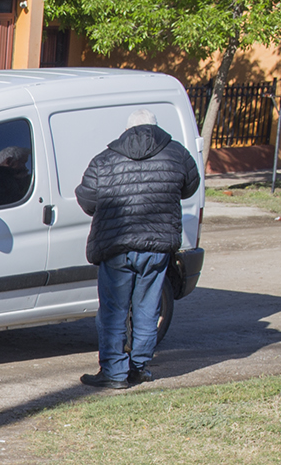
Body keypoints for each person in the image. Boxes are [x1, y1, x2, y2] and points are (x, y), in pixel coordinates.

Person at [76, 109, 201, 390]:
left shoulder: (105, 159)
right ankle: (139, 367)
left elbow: (87, 199)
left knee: (113, 310)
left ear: (127, 130)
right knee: (147, 307)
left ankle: (114, 371)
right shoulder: (177, 154)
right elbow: (190, 187)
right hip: (157, 245)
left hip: (116, 244)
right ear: (156, 128)